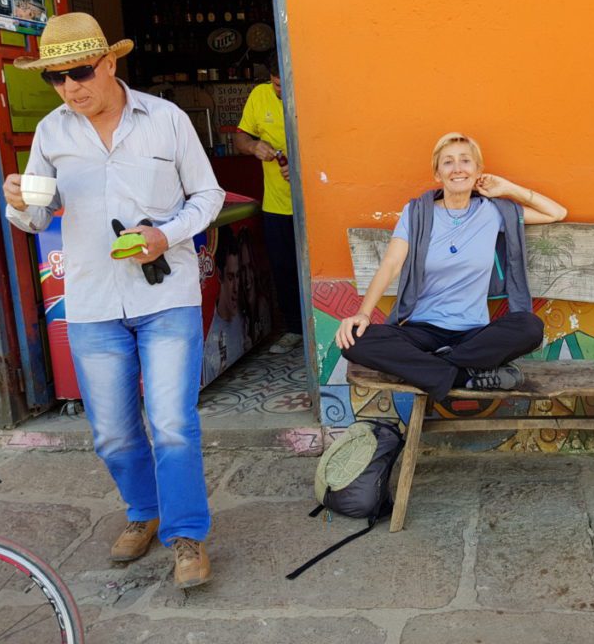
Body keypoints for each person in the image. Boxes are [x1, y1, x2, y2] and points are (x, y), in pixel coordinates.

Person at [2, 13, 224, 589]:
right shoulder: (51, 133)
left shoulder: (166, 119)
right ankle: (144, 511)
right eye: (55, 77)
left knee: (171, 424)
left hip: (166, 296)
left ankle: (187, 535)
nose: (70, 87)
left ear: (108, 63)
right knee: (113, 434)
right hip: (94, 302)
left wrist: (166, 235)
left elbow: (208, 195)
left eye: (79, 72)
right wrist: (19, 203)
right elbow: (37, 217)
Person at [337, 133, 567, 398]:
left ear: (478, 171)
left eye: (465, 161)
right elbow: (391, 263)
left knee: (529, 327)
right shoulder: (417, 214)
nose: (457, 168)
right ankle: (464, 375)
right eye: (448, 162)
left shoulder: (492, 212)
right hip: (422, 331)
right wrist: (363, 314)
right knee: (354, 341)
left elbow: (556, 213)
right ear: (438, 174)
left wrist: (507, 188)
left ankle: (429, 368)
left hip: (473, 334)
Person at [234, 51, 302, 354]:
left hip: (312, 207)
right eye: (276, 85)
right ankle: (294, 329)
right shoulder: (259, 96)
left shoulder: (310, 95)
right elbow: (240, 139)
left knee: (313, 269)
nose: (280, 91)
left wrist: (300, 166)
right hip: (276, 205)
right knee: (283, 270)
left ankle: (320, 327)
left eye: (285, 85)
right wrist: (254, 146)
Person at [202, 226, 245, 383]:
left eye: (238, 276)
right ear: (220, 276)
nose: (236, 287)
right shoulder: (210, 347)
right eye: (231, 277)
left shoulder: (243, 318)